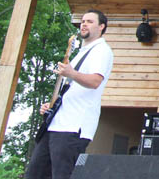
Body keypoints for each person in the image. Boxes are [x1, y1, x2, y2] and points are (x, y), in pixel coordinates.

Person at [26, 10, 114, 179]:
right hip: (55, 125)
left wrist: (71, 74)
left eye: (89, 21)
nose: (84, 24)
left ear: (101, 27)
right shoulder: (80, 53)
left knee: (61, 174)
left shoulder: (102, 51)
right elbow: (71, 89)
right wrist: (51, 107)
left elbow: (95, 81)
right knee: (35, 173)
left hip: (73, 126)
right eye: (82, 21)